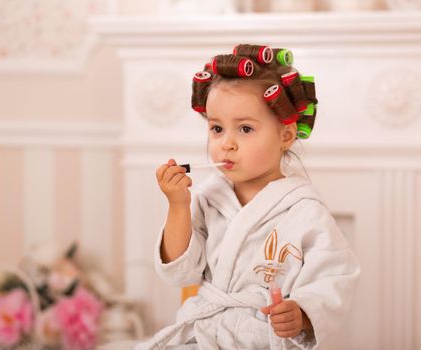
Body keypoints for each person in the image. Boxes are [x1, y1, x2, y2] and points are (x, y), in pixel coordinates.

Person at [135, 45, 360, 350]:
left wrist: (302, 313)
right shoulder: (209, 199)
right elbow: (180, 273)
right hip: (204, 334)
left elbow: (336, 277)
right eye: (216, 128)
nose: (226, 143)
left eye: (244, 128)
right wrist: (178, 205)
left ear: (286, 136)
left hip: (263, 338)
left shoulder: (305, 212)